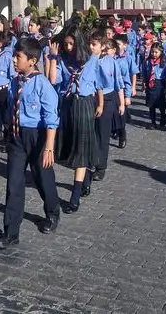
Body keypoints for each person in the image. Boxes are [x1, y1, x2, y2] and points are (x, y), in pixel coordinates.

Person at [0, 38, 60, 249]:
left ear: (32, 60)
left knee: (42, 178)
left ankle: (53, 212)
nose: (14, 60)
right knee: (14, 183)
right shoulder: (15, 82)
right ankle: (11, 232)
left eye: (18, 56)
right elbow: (11, 107)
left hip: (38, 137)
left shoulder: (43, 85)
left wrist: (49, 147)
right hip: (17, 137)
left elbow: (51, 118)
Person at [49, 25, 100, 212]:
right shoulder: (63, 59)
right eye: (66, 44)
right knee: (74, 147)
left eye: (71, 44)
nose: (69, 47)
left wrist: (101, 104)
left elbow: (99, 84)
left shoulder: (92, 60)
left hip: (85, 104)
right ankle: (86, 178)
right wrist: (54, 58)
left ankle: (75, 196)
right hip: (68, 105)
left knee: (81, 148)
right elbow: (53, 80)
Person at [92, 31, 124, 182]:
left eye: (94, 44)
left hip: (108, 98)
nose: (91, 47)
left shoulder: (110, 61)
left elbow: (118, 83)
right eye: (90, 44)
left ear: (103, 46)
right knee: (91, 133)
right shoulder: (88, 60)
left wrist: (122, 102)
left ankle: (100, 167)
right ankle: (90, 160)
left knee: (103, 134)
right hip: (90, 98)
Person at [112, 33, 139, 148]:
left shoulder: (128, 58)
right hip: (112, 89)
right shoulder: (111, 57)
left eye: (118, 44)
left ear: (124, 45)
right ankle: (114, 130)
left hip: (124, 89)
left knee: (121, 113)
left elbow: (133, 74)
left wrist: (132, 89)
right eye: (115, 44)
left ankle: (122, 135)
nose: (116, 46)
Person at [145, 42, 166, 128]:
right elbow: (144, 73)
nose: (154, 54)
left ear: (161, 52)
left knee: (161, 105)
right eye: (152, 52)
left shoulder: (164, 62)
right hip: (150, 84)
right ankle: (153, 122)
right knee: (151, 105)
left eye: (156, 52)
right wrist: (144, 84)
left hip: (160, 84)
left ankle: (162, 121)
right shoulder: (147, 62)